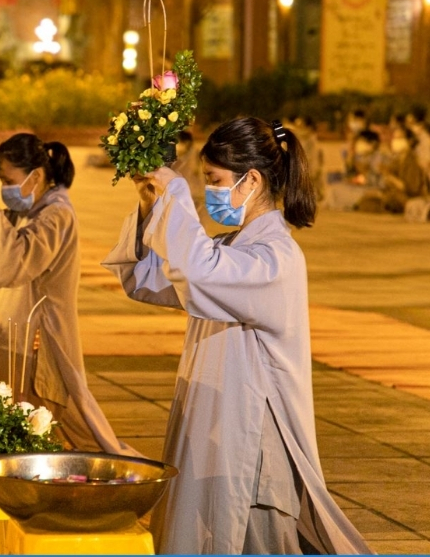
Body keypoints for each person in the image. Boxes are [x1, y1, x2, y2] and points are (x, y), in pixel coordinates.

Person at [102, 117, 371, 554]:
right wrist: (152, 203)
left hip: (251, 446)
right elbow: (147, 280)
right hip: (217, 427)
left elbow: (196, 269)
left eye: (214, 180)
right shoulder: (232, 247)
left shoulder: (274, 257)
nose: (208, 191)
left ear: (252, 180)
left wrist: (174, 192)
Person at [0, 133, 134, 455]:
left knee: (52, 423)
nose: (5, 188)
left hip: (38, 338)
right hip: (11, 330)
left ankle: (101, 471)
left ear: (38, 175)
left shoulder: (56, 215)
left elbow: (15, 261)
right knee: (2, 416)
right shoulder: (32, 209)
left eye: (9, 180)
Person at [380, 126, 427, 214]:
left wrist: (391, 178)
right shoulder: (396, 161)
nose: (395, 141)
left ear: (410, 141)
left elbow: (412, 189)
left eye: (400, 138)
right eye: (395, 138)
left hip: (411, 199)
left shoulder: (413, 161)